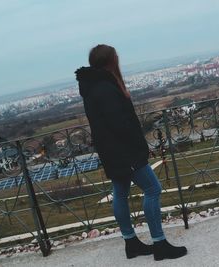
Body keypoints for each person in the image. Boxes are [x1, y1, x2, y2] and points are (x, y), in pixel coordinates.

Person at [75, 44, 187, 261]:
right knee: (153, 189)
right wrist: (140, 148)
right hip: (124, 152)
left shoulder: (93, 86)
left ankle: (131, 243)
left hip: (111, 152)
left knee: (120, 192)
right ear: (110, 61)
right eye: (116, 56)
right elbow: (121, 124)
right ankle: (159, 243)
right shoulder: (105, 88)